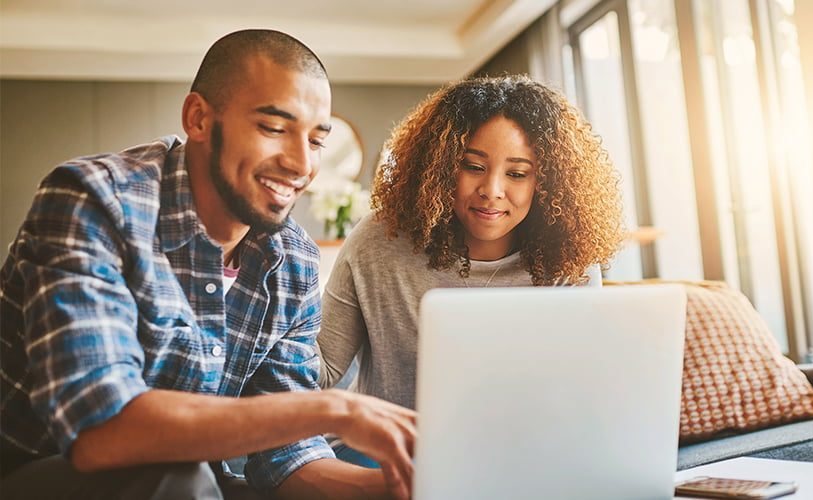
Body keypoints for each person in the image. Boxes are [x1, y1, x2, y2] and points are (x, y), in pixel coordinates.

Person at [0, 29, 416, 499]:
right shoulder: (94, 201)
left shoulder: (293, 260)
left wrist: (405, 487)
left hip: (189, 483)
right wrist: (333, 409)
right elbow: (102, 430)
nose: (302, 164)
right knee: (180, 478)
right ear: (198, 119)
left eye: (317, 140)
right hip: (34, 472)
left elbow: (286, 455)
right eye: (274, 128)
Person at [316, 75, 624, 464]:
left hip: (521, 451)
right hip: (390, 452)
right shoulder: (380, 241)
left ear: (545, 183)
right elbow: (322, 368)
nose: (492, 189)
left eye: (517, 173)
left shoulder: (568, 259)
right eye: (473, 166)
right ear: (442, 165)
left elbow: (582, 386)